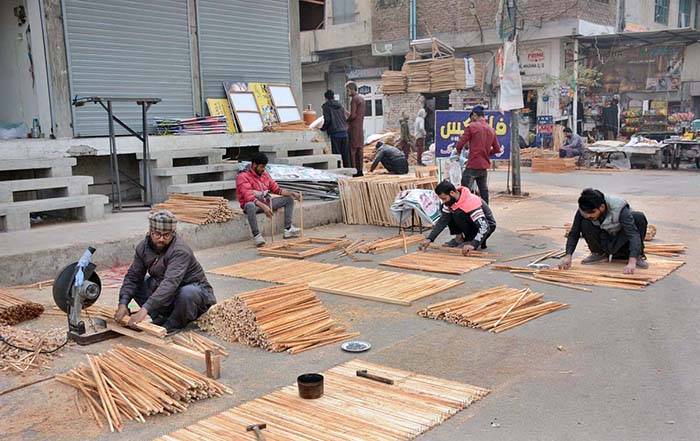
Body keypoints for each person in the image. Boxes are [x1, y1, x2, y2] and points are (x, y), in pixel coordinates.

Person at [114, 210, 216, 334]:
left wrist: (144, 309)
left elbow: (170, 283)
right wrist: (123, 303)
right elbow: (133, 277)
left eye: (166, 235)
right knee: (140, 283)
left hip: (194, 296)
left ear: (173, 234)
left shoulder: (180, 251)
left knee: (188, 293)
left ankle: (173, 324)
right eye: (157, 234)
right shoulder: (143, 248)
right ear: (150, 232)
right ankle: (160, 317)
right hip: (169, 295)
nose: (161, 239)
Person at [559, 188, 648, 275]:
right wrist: (568, 255)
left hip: (622, 242)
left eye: (592, 212)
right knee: (585, 222)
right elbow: (574, 233)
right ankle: (599, 254)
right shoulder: (584, 211)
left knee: (638, 217)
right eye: (586, 212)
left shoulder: (619, 207)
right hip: (605, 241)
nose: (589, 215)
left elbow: (633, 234)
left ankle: (637, 256)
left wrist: (632, 262)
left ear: (602, 207)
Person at [236, 152, 302, 247]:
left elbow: (277, 189)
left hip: (265, 203)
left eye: (264, 167)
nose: (263, 169)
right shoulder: (242, 177)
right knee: (249, 205)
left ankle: (288, 229)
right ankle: (257, 236)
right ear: (254, 165)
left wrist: (292, 193)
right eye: (261, 167)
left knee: (289, 199)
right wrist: (264, 207)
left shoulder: (264, 175)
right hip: (254, 206)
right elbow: (249, 198)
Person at [419, 180, 496, 254]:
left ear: (452, 193)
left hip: (486, 226)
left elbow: (484, 226)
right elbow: (442, 221)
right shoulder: (451, 201)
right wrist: (429, 238)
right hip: (475, 224)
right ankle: (459, 239)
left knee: (458, 212)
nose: (444, 201)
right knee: (447, 212)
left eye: (444, 198)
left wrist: (473, 244)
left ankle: (471, 240)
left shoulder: (470, 201)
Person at [455, 105, 501, 203]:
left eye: (472, 117)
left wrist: (458, 153)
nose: (471, 120)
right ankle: (486, 211)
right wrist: (486, 153)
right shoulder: (491, 129)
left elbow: (460, 144)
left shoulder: (471, 127)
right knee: (483, 191)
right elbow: (497, 149)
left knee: (464, 191)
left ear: (475, 115)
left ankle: (465, 211)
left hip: (472, 165)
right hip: (483, 166)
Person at [321, 89, 351, 169]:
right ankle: (348, 173)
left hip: (335, 133)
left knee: (336, 156)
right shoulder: (340, 105)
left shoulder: (326, 106)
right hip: (344, 132)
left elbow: (327, 120)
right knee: (345, 155)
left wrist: (322, 128)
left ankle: (339, 173)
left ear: (325, 98)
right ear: (333, 96)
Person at [346, 82, 366, 177]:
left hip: (353, 127)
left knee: (352, 150)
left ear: (352, 89)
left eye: (348, 90)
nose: (347, 92)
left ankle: (354, 171)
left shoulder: (354, 99)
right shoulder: (362, 98)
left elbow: (353, 115)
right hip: (360, 127)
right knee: (360, 150)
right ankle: (360, 170)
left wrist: (347, 120)